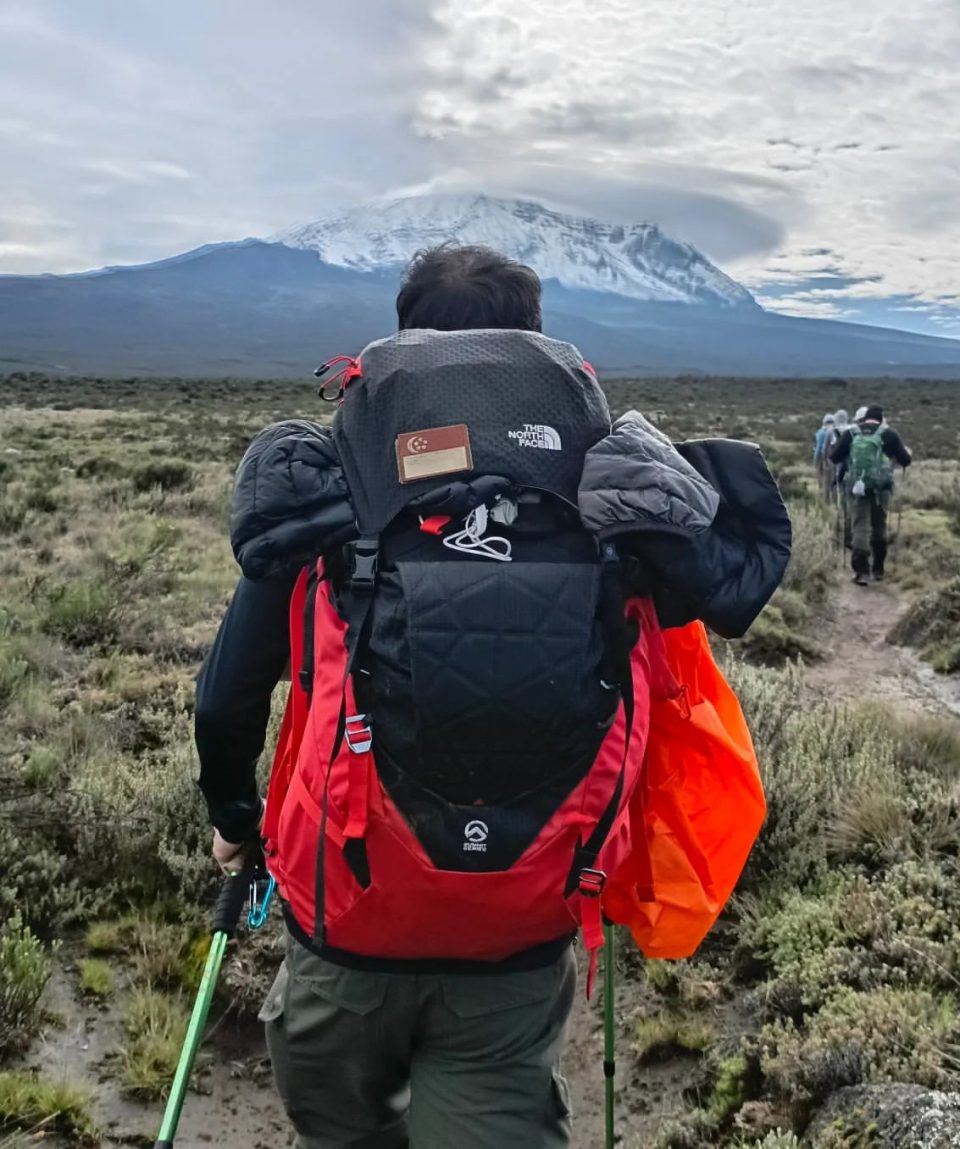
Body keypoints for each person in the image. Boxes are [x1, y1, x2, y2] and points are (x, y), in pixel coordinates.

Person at [194, 245, 789, 1149]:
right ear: (537, 344)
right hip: (529, 909)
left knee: (336, 1111)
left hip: (349, 909)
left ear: (400, 339)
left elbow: (227, 696)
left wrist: (236, 815)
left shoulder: (334, 491)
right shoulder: (609, 498)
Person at [830, 403, 912, 584]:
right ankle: (878, 569)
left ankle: (861, 571)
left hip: (856, 488)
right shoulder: (889, 434)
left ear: (865, 417)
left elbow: (834, 457)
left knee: (860, 526)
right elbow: (905, 460)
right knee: (879, 525)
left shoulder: (851, 433)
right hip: (881, 489)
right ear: (881, 419)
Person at [813, 413, 837, 501]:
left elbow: (819, 447)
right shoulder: (835, 431)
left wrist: (815, 460)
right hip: (834, 458)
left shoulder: (821, 433)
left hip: (823, 458)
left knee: (823, 479)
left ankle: (825, 499)